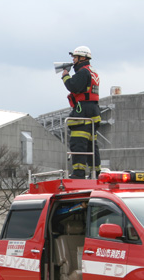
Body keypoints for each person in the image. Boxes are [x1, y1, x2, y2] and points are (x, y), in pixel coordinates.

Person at [62, 45, 101, 179]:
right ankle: (95, 172)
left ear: (83, 58)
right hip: (93, 111)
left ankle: (78, 173)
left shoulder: (83, 72)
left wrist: (65, 76)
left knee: (78, 142)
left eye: (75, 57)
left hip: (83, 111)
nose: (73, 60)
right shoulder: (92, 72)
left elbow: (73, 86)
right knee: (91, 144)